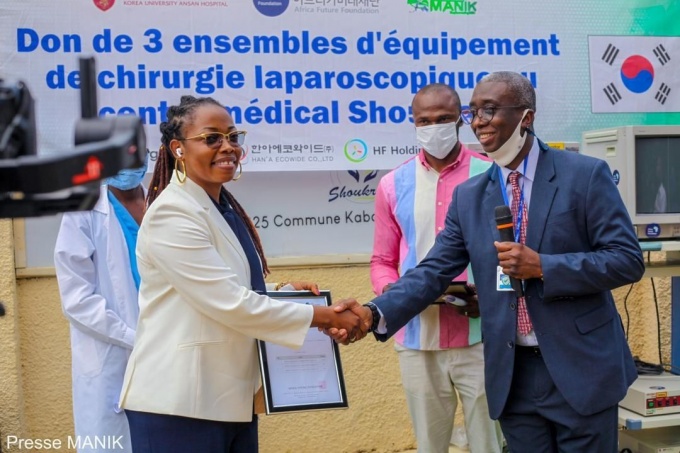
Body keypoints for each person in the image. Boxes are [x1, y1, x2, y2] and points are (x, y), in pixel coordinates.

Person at [333, 71, 644, 452]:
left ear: (526, 117)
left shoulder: (584, 175)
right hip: (513, 377)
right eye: (473, 112)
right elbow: (432, 270)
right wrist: (372, 313)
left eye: (490, 110)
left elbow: (626, 259)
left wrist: (544, 266)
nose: (478, 121)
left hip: (580, 368)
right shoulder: (471, 196)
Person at [118, 95, 364, 453]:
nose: (228, 147)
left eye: (233, 137)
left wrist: (282, 290)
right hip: (179, 405)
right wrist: (324, 316)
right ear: (178, 148)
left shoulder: (219, 208)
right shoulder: (173, 213)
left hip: (228, 398)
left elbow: (225, 285)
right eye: (211, 138)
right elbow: (230, 301)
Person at [370, 83, 502, 453]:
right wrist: (394, 294)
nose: (434, 127)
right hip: (417, 338)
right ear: (413, 123)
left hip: (481, 337)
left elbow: (512, 253)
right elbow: (382, 262)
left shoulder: (493, 176)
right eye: (424, 121)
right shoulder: (392, 184)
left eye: (443, 118)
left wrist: (492, 297)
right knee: (430, 446)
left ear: (461, 119)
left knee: (489, 444)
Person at [54, 163, 148, 453]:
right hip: (112, 356)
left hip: (167, 352)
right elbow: (77, 299)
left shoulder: (162, 201)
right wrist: (133, 338)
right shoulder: (83, 209)